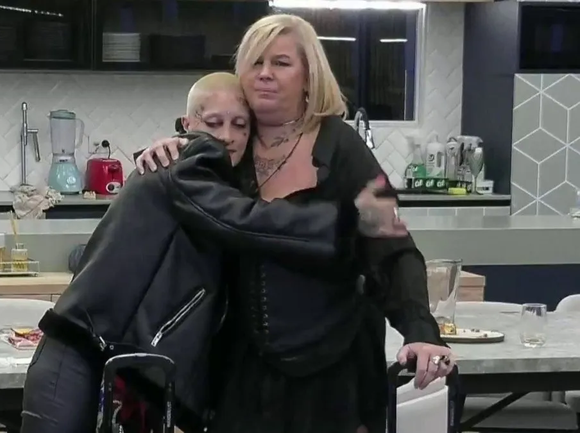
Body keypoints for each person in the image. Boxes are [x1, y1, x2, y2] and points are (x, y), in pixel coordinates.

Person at [22, 72, 405, 433]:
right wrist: (345, 223)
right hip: (78, 353)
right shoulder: (185, 166)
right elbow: (245, 221)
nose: (227, 136)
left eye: (240, 125)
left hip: (115, 363)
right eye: (214, 123)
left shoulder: (210, 177)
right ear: (187, 125)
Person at [134, 14, 454, 433]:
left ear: (308, 76)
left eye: (281, 63)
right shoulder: (226, 143)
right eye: (256, 62)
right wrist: (168, 150)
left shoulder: (342, 146)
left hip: (334, 370)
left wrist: (420, 329)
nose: (265, 73)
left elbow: (390, 245)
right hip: (238, 371)